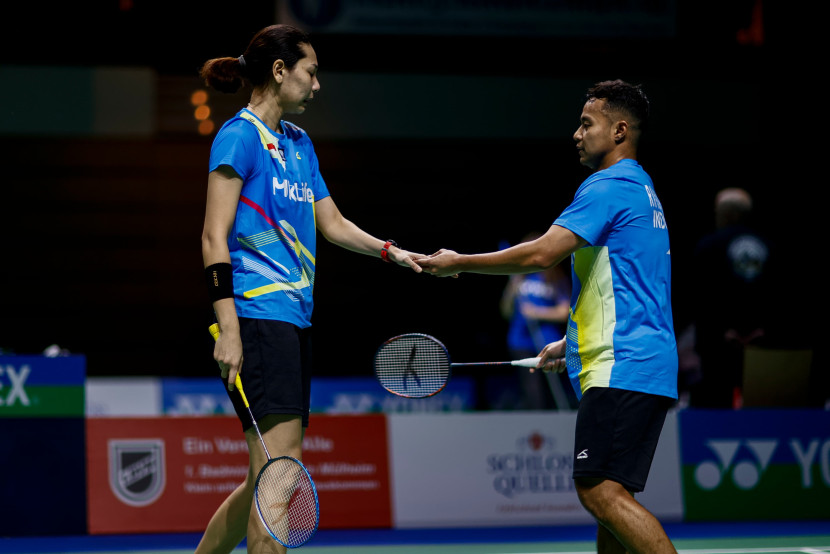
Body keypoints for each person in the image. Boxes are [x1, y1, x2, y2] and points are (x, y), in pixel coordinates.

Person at [416, 80, 678, 553]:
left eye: (586, 123)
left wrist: (458, 262)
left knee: (597, 489)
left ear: (619, 130)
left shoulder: (608, 186)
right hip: (645, 362)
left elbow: (540, 255)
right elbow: (629, 284)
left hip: (623, 366)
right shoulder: (643, 189)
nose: (576, 134)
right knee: (614, 500)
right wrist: (571, 342)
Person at [196, 24, 423, 554]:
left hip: (295, 320)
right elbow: (213, 235)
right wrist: (228, 329)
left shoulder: (300, 144)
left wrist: (392, 251)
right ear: (280, 71)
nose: (318, 85)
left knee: (266, 473)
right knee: (281, 470)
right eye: (311, 72)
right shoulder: (239, 136)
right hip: (257, 315)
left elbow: (334, 224)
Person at [688, 187, 772, 408]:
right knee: (763, 410)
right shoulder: (769, 246)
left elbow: (702, 297)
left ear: (728, 214)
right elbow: (778, 296)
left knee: (719, 412)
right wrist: (760, 329)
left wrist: (722, 331)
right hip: (762, 345)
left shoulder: (709, 245)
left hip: (719, 348)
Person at [499, 232, 573, 410]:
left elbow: (564, 312)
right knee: (532, 392)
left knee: (553, 392)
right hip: (520, 341)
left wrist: (536, 312)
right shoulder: (519, 277)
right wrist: (512, 289)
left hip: (549, 342)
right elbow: (506, 311)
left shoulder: (555, 278)